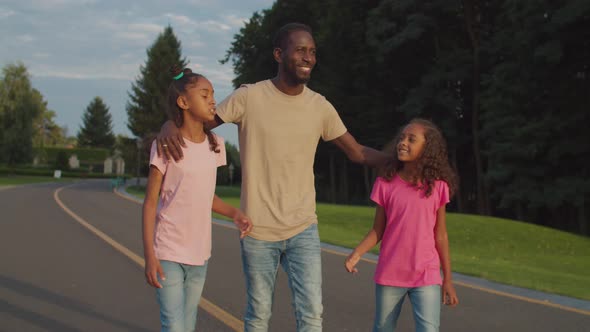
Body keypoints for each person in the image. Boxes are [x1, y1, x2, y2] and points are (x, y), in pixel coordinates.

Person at [157, 23, 390, 332]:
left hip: (303, 227)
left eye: (312, 52)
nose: (308, 57)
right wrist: (169, 126)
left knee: (311, 316)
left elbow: (357, 152)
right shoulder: (248, 97)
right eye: (300, 50)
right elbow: (198, 122)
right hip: (257, 230)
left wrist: (401, 162)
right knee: (258, 316)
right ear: (279, 54)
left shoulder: (319, 106)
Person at [142, 66, 253, 332]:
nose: (213, 100)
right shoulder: (166, 145)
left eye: (213, 94)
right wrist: (149, 255)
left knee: (189, 322)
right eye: (204, 95)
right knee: (174, 325)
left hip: (200, 253)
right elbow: (150, 202)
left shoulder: (215, 144)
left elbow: (206, 196)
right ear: (183, 102)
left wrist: (235, 213)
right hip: (168, 249)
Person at [344, 118, 459, 332]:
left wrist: (448, 280)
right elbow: (378, 230)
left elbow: (440, 235)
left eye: (411, 139)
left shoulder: (438, 188)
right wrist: (356, 253)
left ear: (427, 149)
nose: (403, 142)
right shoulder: (385, 184)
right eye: (401, 138)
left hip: (426, 274)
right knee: (383, 328)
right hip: (391, 273)